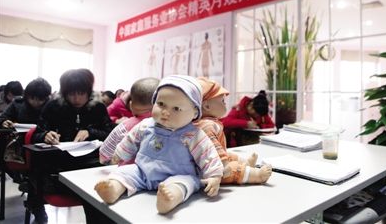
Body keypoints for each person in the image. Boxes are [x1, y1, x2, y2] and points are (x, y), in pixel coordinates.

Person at [94, 75, 223, 214]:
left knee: (186, 183)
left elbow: (208, 155)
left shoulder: (194, 135)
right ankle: (113, 188)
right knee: (125, 172)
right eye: (161, 104)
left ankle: (170, 198)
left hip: (178, 175)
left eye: (176, 109)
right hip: (143, 171)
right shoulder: (146, 126)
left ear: (195, 112)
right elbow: (130, 140)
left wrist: (214, 176)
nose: (166, 112)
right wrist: (119, 154)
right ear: (154, 102)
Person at [31, 68, 115, 224]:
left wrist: (90, 132)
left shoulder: (98, 107)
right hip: (60, 165)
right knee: (91, 194)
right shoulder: (54, 106)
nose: (76, 98)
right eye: (71, 94)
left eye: (81, 93)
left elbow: (110, 133)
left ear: (88, 92)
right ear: (64, 93)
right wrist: (46, 135)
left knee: (98, 195)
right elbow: (36, 135)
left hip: (90, 164)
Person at [195, 77, 272, 185]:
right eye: (222, 101)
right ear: (207, 106)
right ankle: (256, 175)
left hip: (217, 154)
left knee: (230, 155)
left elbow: (269, 123)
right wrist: (224, 164)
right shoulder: (207, 125)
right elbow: (216, 147)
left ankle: (246, 163)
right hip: (211, 164)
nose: (225, 103)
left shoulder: (209, 122)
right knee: (233, 169)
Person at [99, 77, 160, 165]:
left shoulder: (125, 126)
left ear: (131, 105)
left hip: (127, 173)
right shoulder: (168, 127)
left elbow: (104, 154)